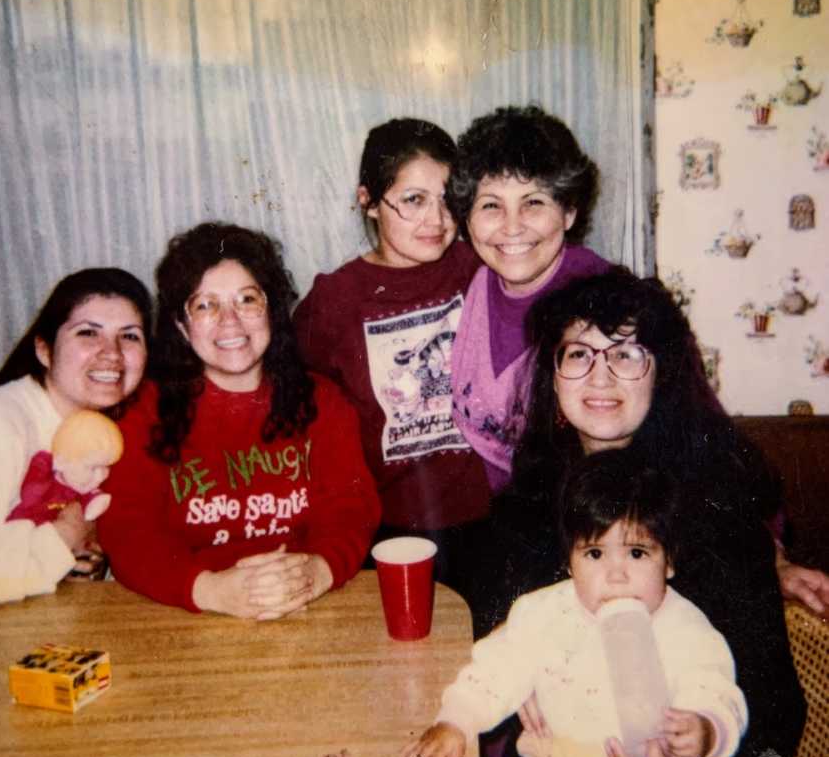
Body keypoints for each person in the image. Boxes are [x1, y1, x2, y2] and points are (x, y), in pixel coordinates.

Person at [469, 267, 808, 757]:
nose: (599, 377)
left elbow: (772, 705)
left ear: (661, 375)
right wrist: (521, 674)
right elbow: (496, 642)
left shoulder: (714, 504)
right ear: (553, 376)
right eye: (579, 354)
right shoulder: (526, 507)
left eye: (626, 354)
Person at [408, 449, 748, 757]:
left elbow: (716, 691)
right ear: (570, 563)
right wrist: (456, 721)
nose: (617, 575)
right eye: (595, 553)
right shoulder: (543, 613)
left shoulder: (686, 630)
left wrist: (705, 730)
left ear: (669, 561)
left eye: (637, 553)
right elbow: (494, 671)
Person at [98, 222, 380, 620]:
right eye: (205, 305)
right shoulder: (143, 411)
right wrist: (209, 590)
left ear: (272, 310)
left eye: (247, 299)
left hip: (305, 608)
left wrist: (318, 571)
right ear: (181, 325)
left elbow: (351, 511)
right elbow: (129, 535)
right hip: (184, 613)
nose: (230, 321)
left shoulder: (323, 401)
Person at [294, 118, 490, 590]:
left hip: (485, 518)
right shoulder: (333, 300)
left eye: (449, 200)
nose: (437, 221)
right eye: (413, 200)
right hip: (384, 528)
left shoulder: (477, 265)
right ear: (368, 201)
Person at [0, 268, 151, 625]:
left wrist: (81, 562)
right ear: (44, 350)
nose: (111, 353)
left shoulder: (113, 429)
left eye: (129, 336)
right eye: (88, 333)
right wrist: (59, 541)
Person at [445, 105, 609, 493]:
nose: (512, 227)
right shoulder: (475, 281)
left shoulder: (607, 298)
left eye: (534, 202)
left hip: (593, 521)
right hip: (504, 518)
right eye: (490, 205)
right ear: (467, 219)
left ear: (569, 211)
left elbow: (693, 418)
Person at [6, 410, 125, 524]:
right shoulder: (44, 466)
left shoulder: (80, 488)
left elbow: (92, 502)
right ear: (62, 461)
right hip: (21, 528)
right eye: (93, 468)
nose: (100, 477)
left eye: (106, 467)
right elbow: (30, 496)